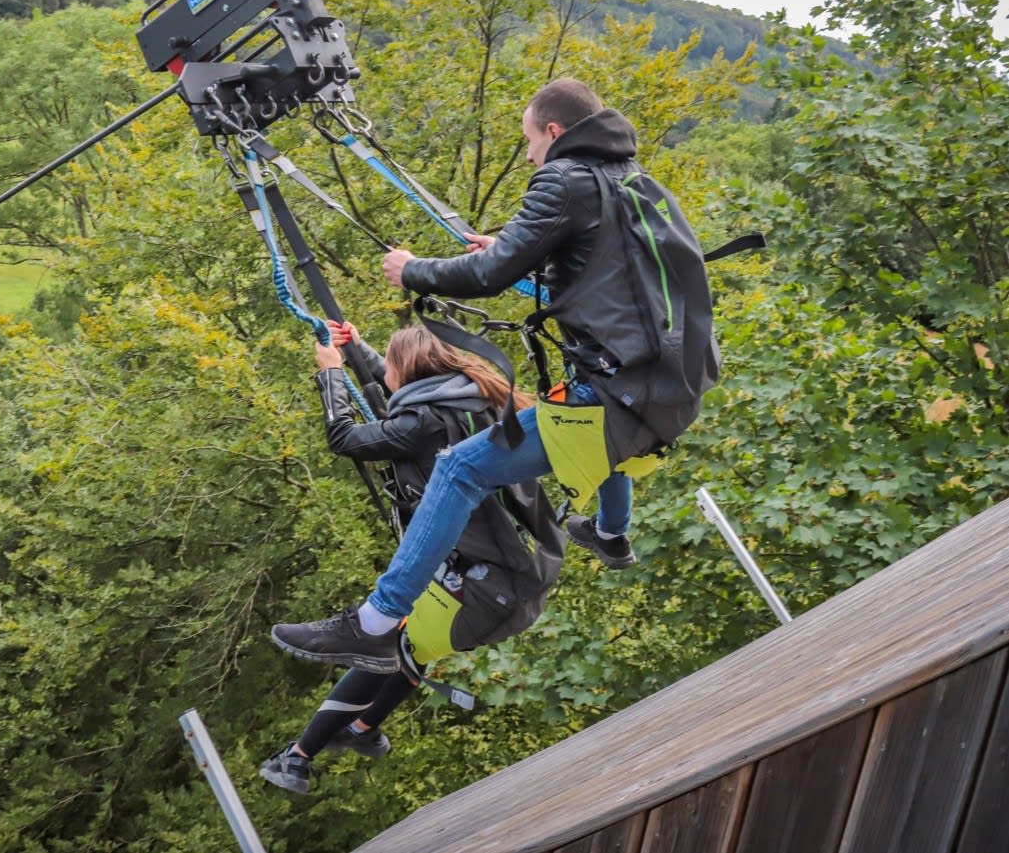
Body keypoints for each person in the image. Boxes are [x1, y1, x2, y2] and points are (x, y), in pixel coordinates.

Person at [271, 76, 719, 673]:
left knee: (461, 468)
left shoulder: (562, 178)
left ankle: (375, 623)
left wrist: (414, 270)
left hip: (617, 396)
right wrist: (515, 246)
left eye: (531, 141)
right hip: (672, 387)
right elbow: (604, 281)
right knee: (596, 445)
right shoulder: (634, 182)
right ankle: (613, 532)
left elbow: (489, 277)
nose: (531, 154)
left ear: (554, 132)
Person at [260, 321, 564, 794]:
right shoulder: (476, 402)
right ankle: (358, 731)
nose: (386, 373)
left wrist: (332, 374)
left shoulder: (420, 424)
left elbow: (344, 437)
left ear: (410, 369)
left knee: (387, 637)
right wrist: (358, 347)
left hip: (484, 588)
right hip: (516, 577)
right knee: (408, 640)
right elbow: (402, 386)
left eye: (390, 362)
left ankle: (300, 757)